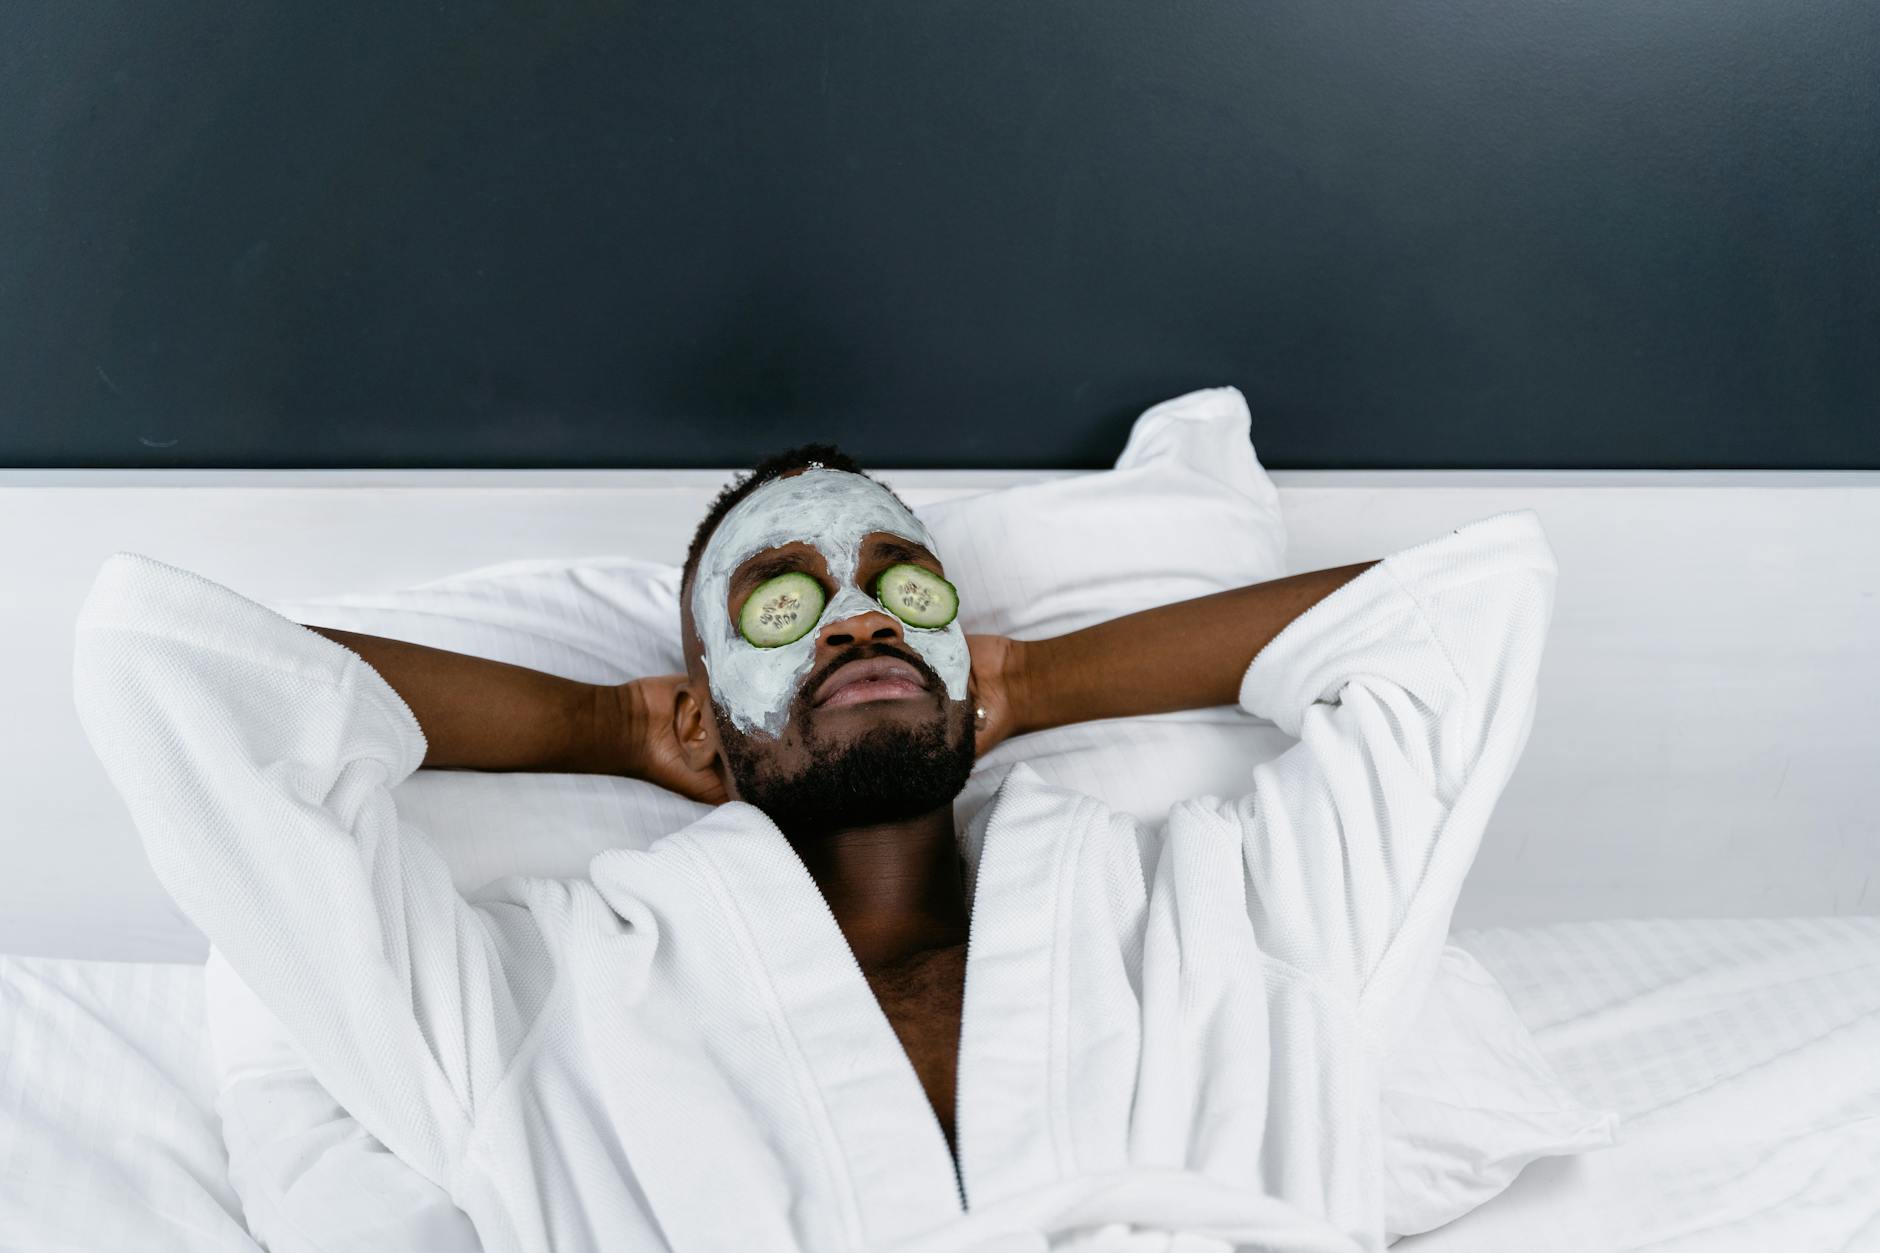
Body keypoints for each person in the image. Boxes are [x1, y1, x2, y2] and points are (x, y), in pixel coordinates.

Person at [72, 442, 1558, 1253]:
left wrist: (1032, 681)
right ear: (705, 708)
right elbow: (181, 675)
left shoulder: (1220, 903)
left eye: (903, 587)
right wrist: (606, 725)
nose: (855, 618)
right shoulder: (546, 995)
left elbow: (1460, 616)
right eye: (780, 603)